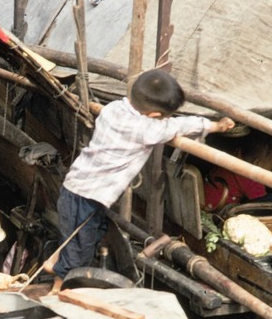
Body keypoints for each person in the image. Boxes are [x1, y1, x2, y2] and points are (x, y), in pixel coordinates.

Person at [50, 68, 234, 292]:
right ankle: (58, 289)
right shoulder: (145, 130)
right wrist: (215, 126)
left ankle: (55, 264)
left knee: (84, 236)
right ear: (155, 116)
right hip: (87, 197)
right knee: (79, 249)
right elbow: (178, 126)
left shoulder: (113, 108)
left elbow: (168, 123)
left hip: (77, 188)